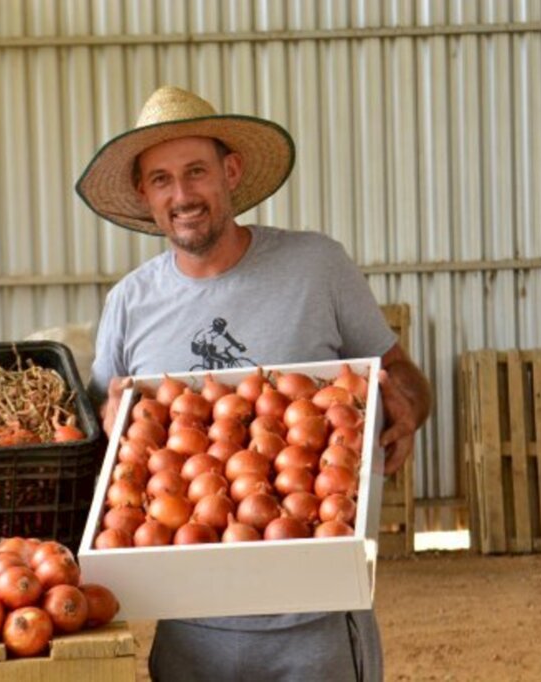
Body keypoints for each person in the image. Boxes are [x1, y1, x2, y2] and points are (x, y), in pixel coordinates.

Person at [77, 86, 431, 682]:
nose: (182, 195)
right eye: (161, 180)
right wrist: (106, 426)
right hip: (190, 632)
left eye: (196, 172)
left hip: (317, 624)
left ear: (231, 171)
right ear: (144, 194)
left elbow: (401, 376)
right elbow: (100, 452)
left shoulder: (317, 266)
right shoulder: (130, 303)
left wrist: (408, 407)